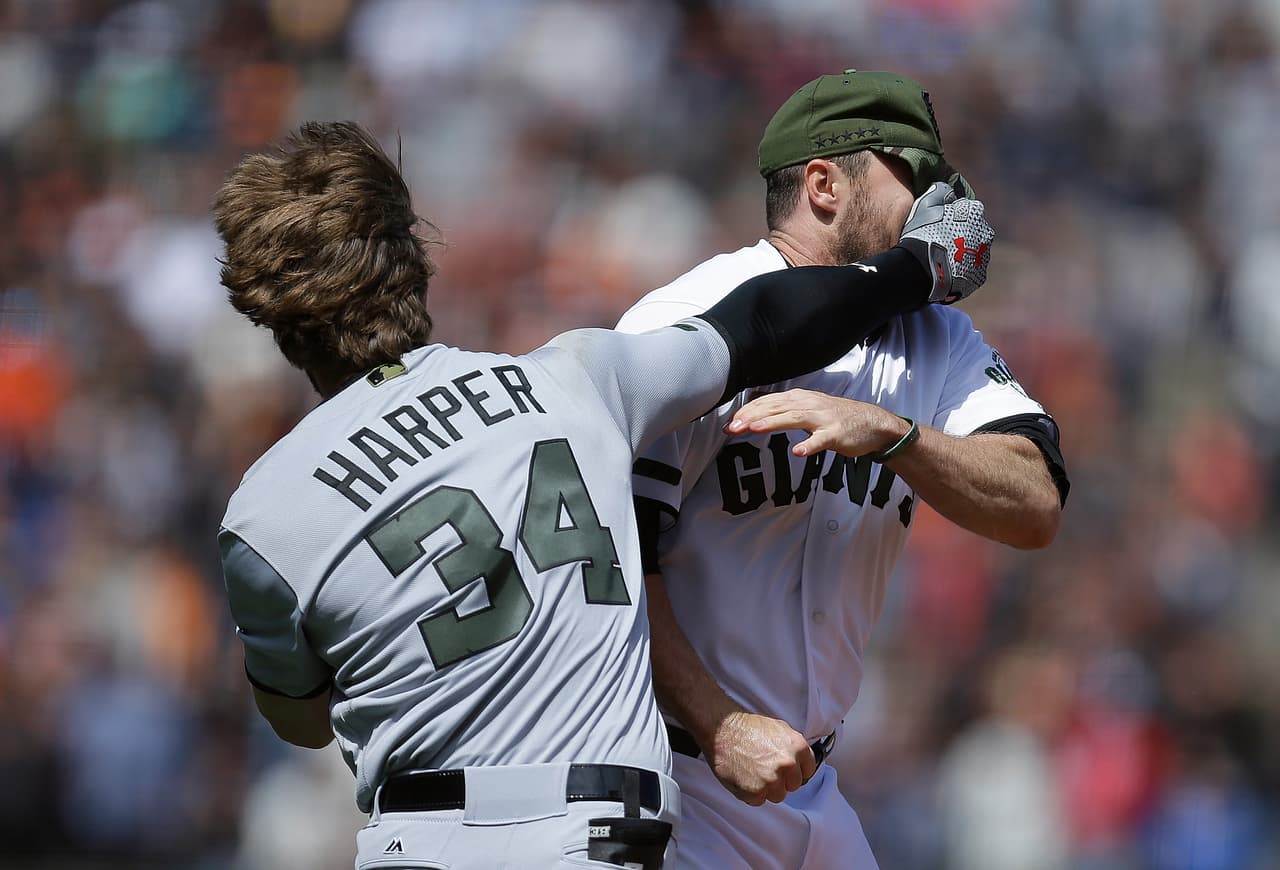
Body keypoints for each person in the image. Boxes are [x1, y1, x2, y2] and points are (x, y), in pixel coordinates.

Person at [212, 121, 994, 870]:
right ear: (415, 261)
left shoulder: (264, 513)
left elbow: (300, 720)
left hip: (420, 843)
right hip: (591, 836)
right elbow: (764, 321)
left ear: (268, 313)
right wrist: (917, 266)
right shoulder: (572, 381)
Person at [616, 69, 1070, 869]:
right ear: (825, 185)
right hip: (678, 775)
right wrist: (719, 722)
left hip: (812, 785)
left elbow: (1034, 503)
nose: (939, 208)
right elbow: (610, 556)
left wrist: (899, 436)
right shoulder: (689, 318)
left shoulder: (937, 339)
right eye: (915, 178)